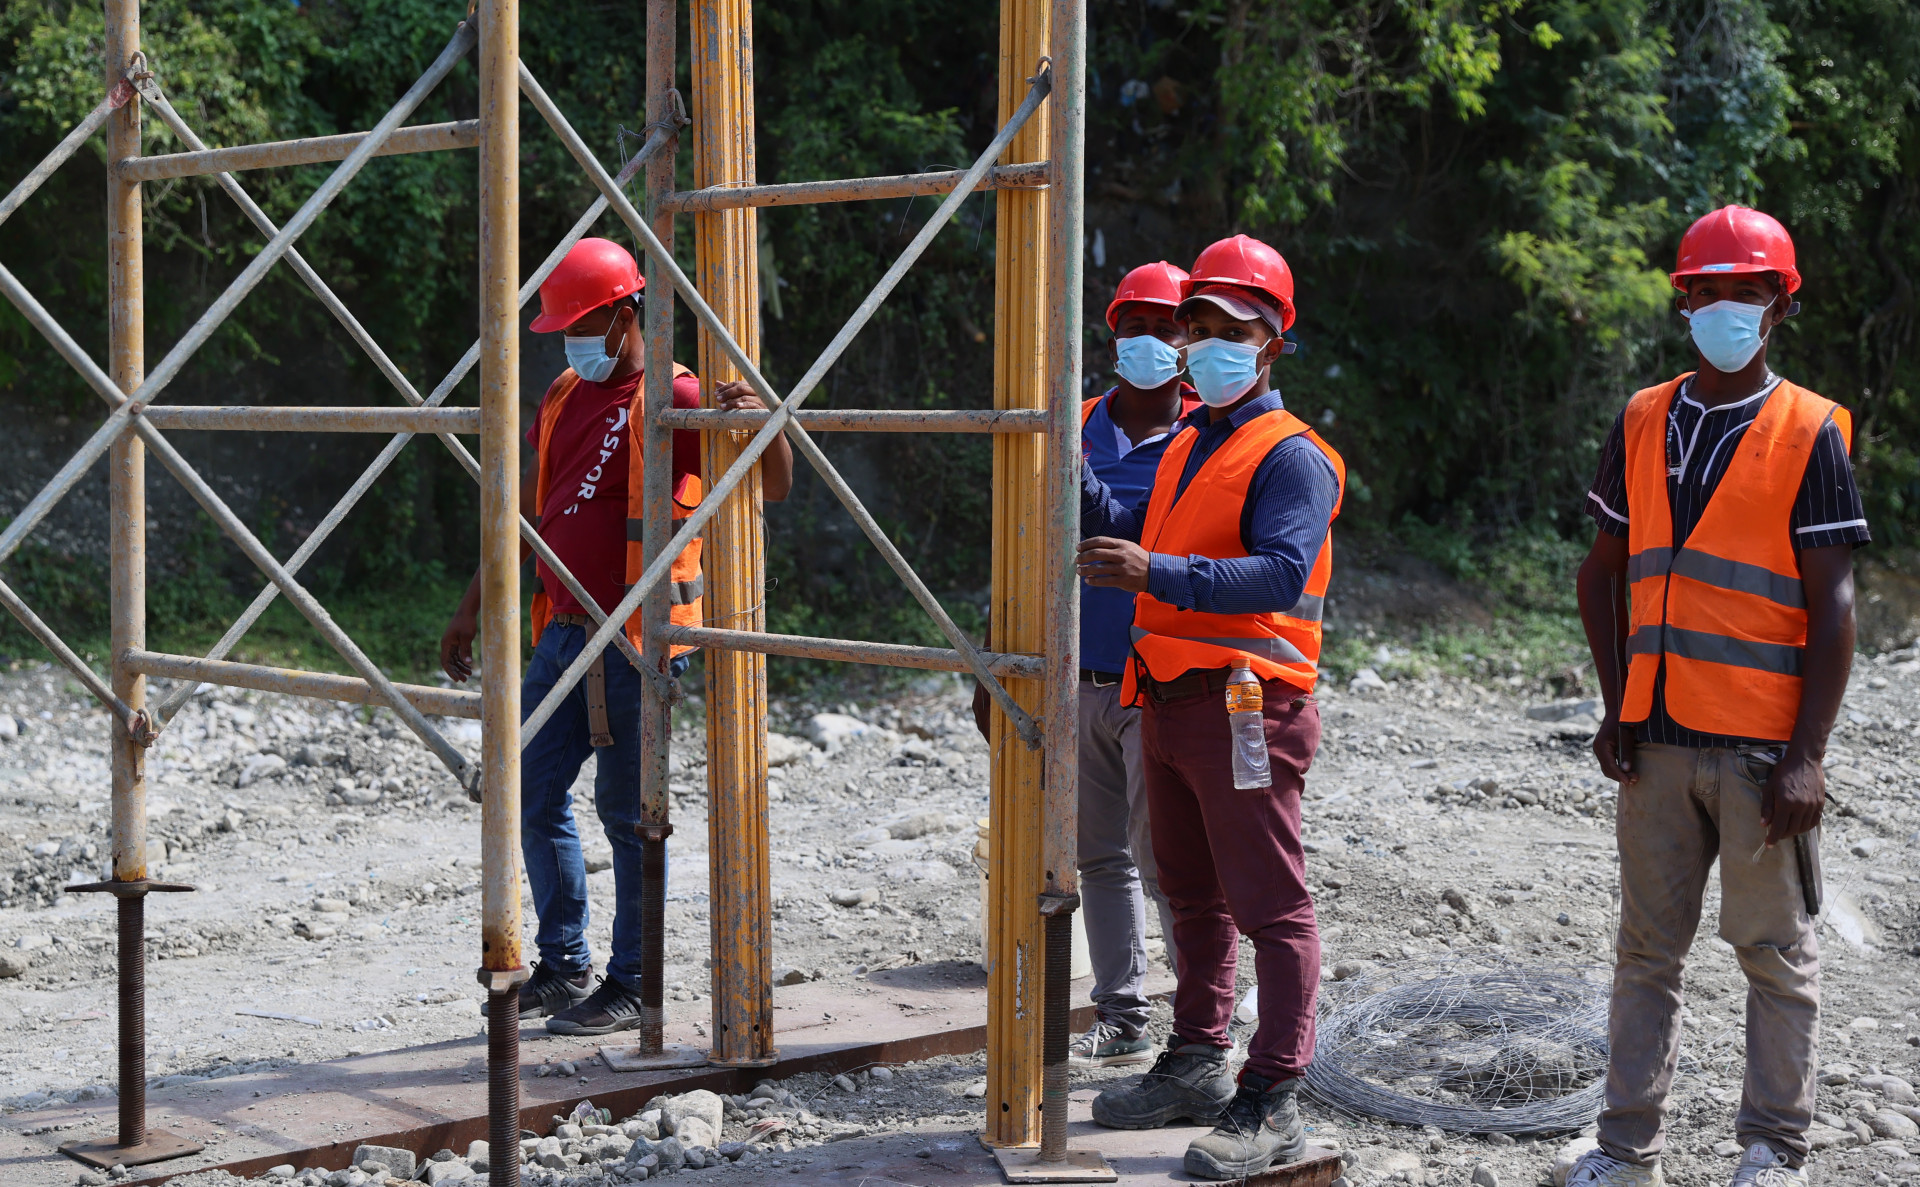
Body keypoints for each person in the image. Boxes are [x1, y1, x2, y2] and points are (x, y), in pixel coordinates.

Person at [1570, 206, 1866, 1187]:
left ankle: (1774, 1147)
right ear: (1683, 300)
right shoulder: (1642, 417)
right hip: (1654, 742)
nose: (1726, 307)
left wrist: (1808, 754)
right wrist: (1617, 704)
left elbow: (1835, 605)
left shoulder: (1810, 429)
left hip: (1759, 751)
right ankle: (1626, 1149)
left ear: (1779, 305)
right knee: (1645, 952)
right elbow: (1600, 572)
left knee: (1773, 952)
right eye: (1709, 290)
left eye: (1748, 290)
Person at [438, 237, 792, 1035]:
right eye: (564, 327)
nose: (571, 340)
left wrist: (766, 424)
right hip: (563, 634)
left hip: (637, 643)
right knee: (528, 794)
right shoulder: (564, 392)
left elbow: (772, 487)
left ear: (627, 313)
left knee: (629, 817)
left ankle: (633, 980)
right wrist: (471, 606)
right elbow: (531, 511)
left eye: (583, 324)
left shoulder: (677, 396)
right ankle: (565, 965)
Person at [1076, 235, 1344, 1180]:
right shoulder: (1193, 441)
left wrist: (1156, 571)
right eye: (1198, 326)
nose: (1206, 344)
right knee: (1191, 894)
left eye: (1232, 329)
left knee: (1272, 906)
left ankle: (1272, 1095)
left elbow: (1276, 571)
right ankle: (1196, 1057)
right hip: (1171, 701)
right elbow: (1141, 532)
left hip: (1247, 709)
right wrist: (1077, 482)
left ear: (1272, 343)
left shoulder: (1293, 455)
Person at [972, 263, 1198, 1066]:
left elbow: (1143, 537)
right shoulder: (1072, 423)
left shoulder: (1203, 439)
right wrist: (992, 662)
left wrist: (1077, 474)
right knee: (1098, 856)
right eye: (1134, 327)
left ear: (1189, 342)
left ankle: (1199, 1028)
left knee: (1169, 863)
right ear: (1111, 340)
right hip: (1075, 679)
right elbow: (1019, 545)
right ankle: (1124, 1014)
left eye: (1166, 328)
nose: (1149, 341)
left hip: (1159, 682)